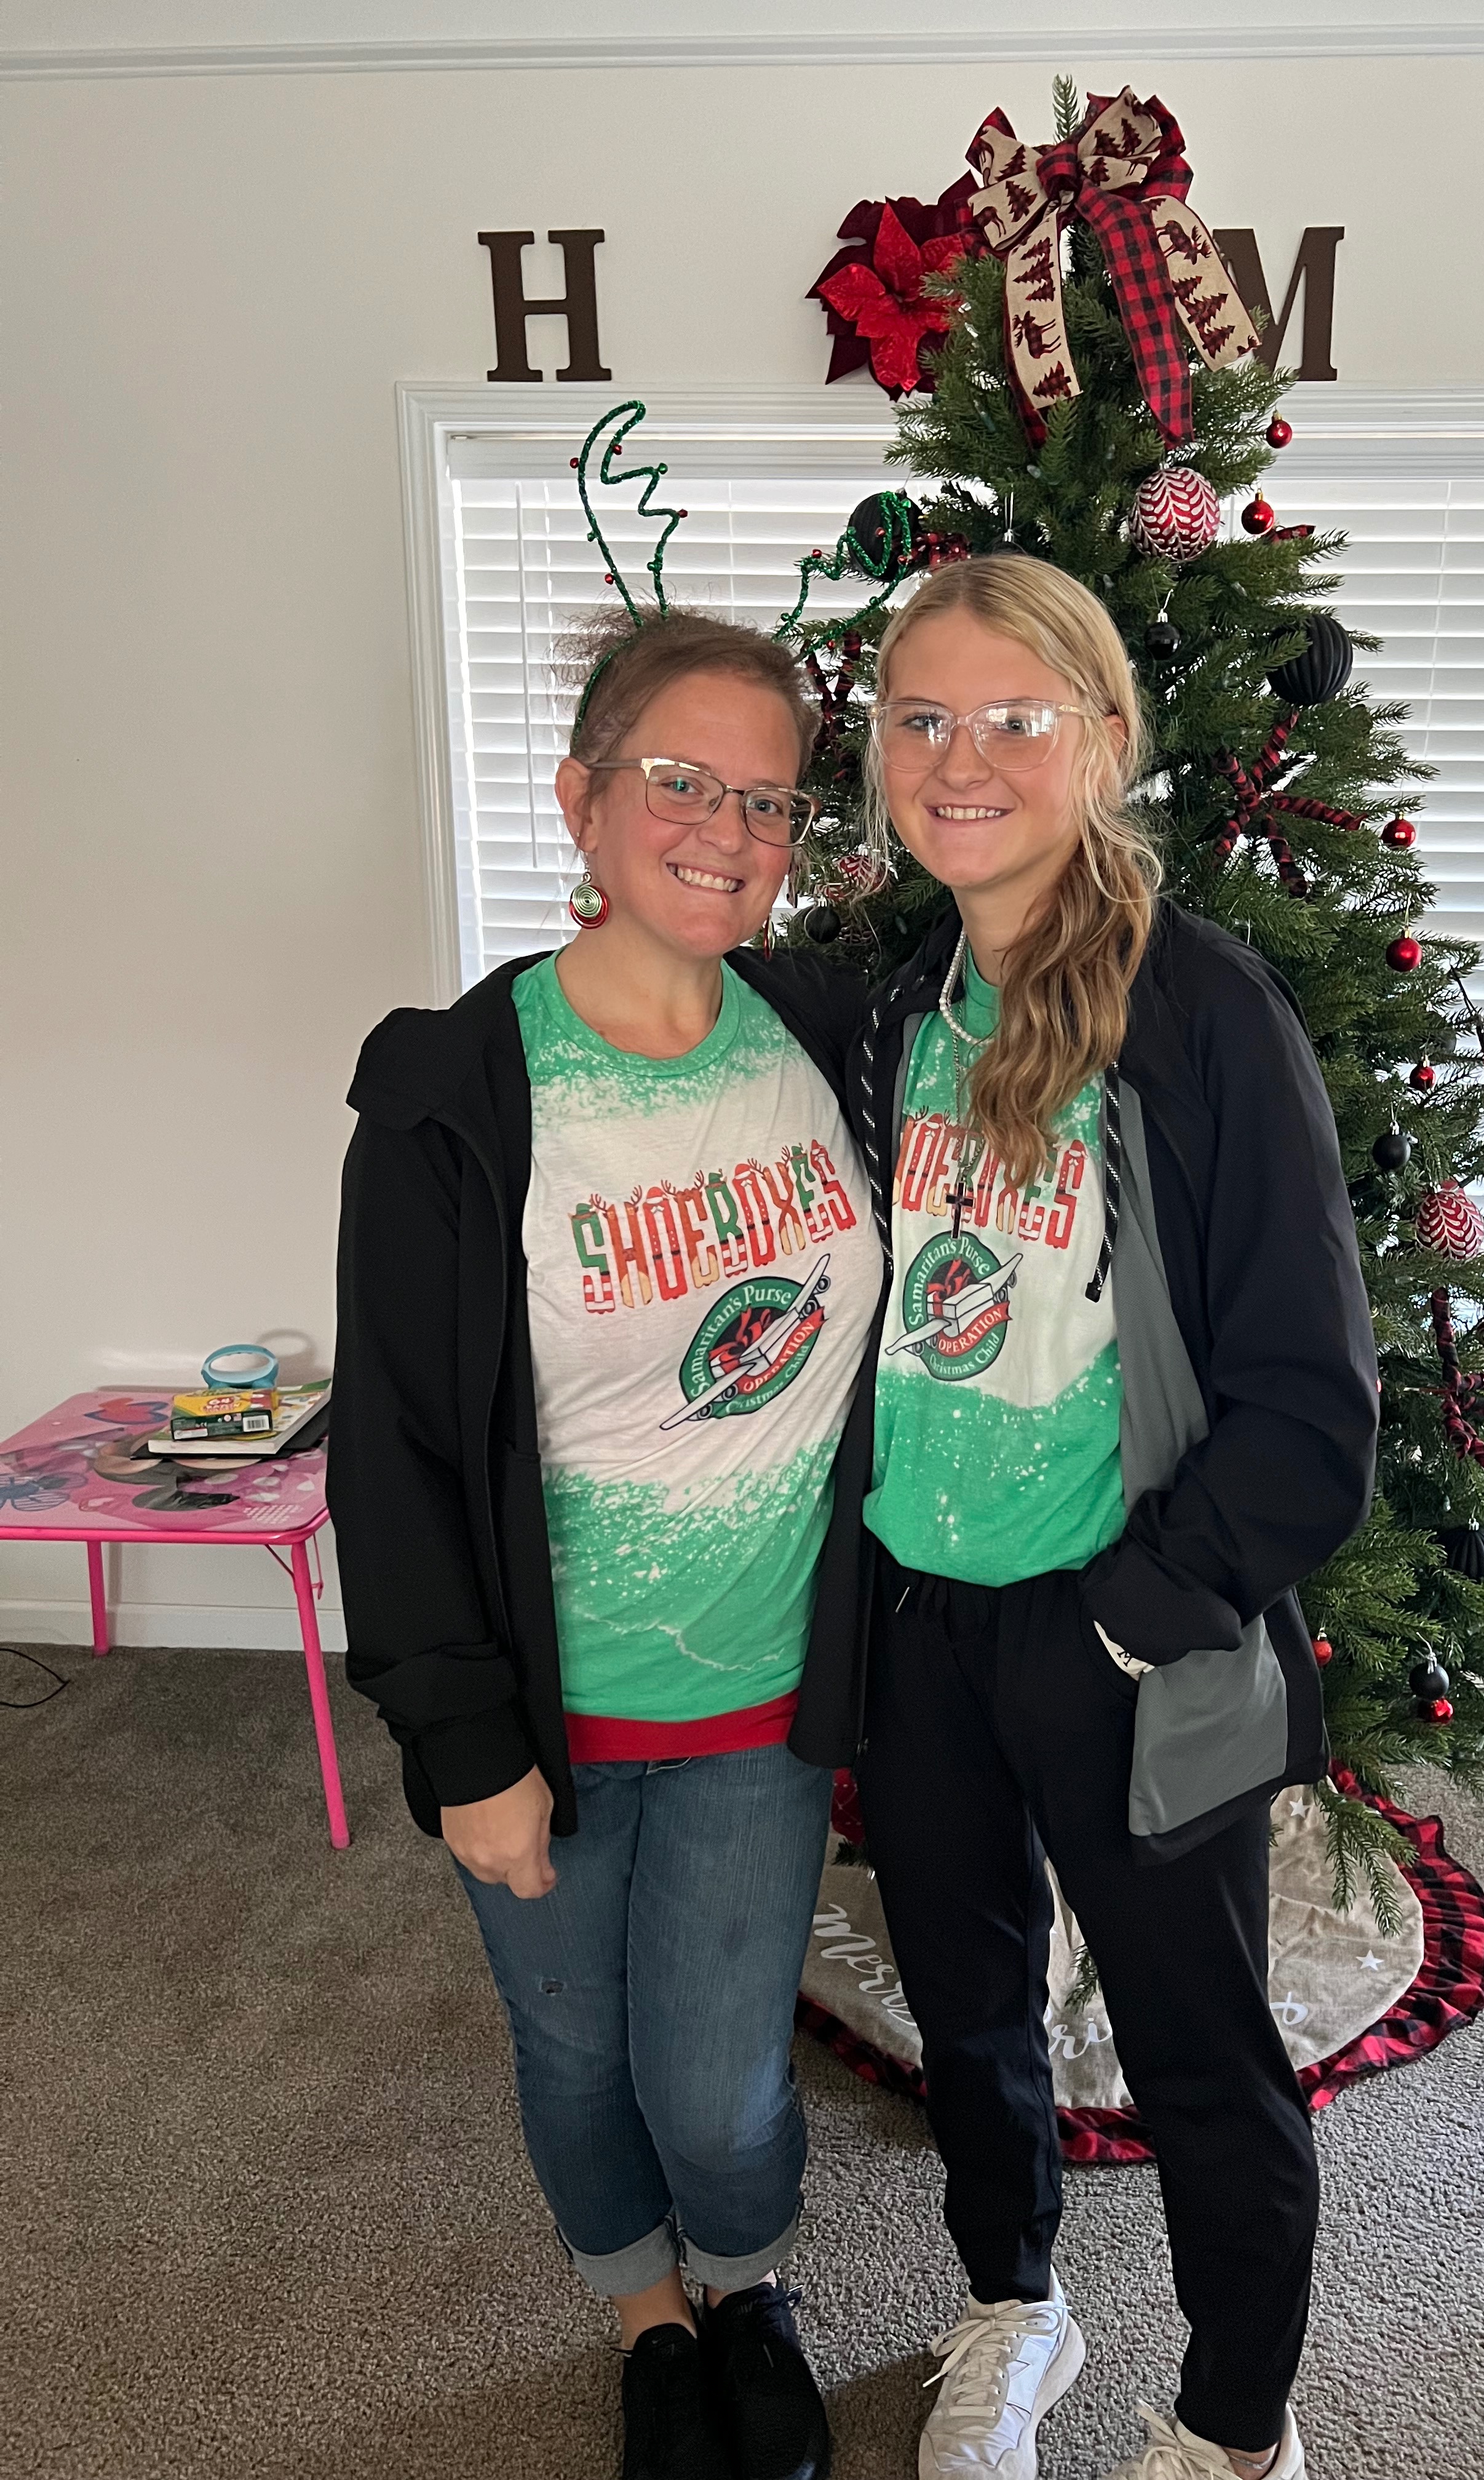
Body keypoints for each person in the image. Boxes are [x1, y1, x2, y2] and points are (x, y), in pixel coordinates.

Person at [829, 557, 1379, 2480]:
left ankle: (1236, 2431)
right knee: (966, 2009)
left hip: (1126, 1628)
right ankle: (1017, 2304)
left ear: (1106, 738)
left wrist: (1134, 1613)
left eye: (1013, 717)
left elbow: (1313, 1414)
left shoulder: (1205, 1013)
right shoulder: (892, 1001)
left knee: (1199, 2044)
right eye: (921, 718)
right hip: (926, 1620)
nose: (958, 758)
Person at [330, 610, 884, 2480]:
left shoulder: (831, 1036)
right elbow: (396, 1451)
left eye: (770, 800)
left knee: (719, 2082)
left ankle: (744, 2286)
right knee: (573, 2056)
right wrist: (460, 1739)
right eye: (680, 781)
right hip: (548, 1717)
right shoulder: (456, 1096)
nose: (728, 830)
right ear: (582, 798)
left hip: (762, 1703)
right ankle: (648, 2318)